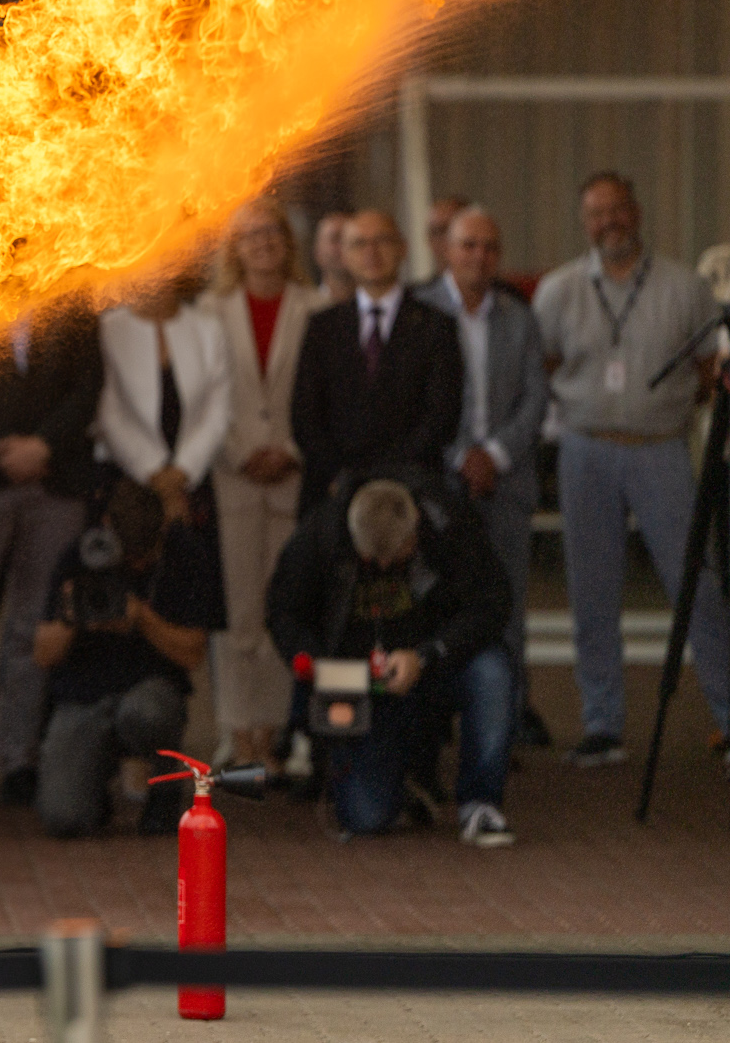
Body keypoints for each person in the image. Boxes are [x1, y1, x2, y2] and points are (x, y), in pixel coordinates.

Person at [532, 171, 730, 765]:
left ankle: (729, 716)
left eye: (617, 209)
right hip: (584, 450)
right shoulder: (559, 290)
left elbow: (707, 373)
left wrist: (663, 411)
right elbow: (543, 363)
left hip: (660, 449)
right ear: (583, 222)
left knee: (696, 585)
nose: (608, 222)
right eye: (596, 213)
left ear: (636, 212)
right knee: (591, 592)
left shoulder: (685, 287)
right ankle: (602, 724)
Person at [266, 473, 515, 845]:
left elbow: (492, 603)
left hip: (438, 665)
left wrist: (427, 655)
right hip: (363, 686)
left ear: (415, 532)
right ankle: (400, 784)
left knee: (492, 672)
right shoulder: (319, 535)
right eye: (370, 557)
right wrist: (316, 664)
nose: (382, 566)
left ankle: (481, 803)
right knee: (364, 817)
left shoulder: (451, 526)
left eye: (394, 555)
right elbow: (282, 611)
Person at [0, 299, 103, 807]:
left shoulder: (72, 293)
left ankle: (20, 758)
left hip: (56, 482)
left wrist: (44, 446)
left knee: (35, 624)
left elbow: (88, 385)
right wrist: (7, 450)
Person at [414, 206, 550, 745]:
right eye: (468, 245)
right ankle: (431, 731)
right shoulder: (419, 312)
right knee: (430, 603)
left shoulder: (520, 317)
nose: (479, 256)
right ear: (447, 250)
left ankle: (504, 726)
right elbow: (414, 401)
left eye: (490, 246)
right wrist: (460, 458)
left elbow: (536, 399)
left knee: (507, 607)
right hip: (437, 484)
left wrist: (492, 456)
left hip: (506, 483)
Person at [33, 478, 224, 837]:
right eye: (129, 554)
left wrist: (142, 618)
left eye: (144, 555)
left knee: (148, 713)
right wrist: (73, 617)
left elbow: (193, 653)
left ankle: (165, 788)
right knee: (64, 818)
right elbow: (43, 654)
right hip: (84, 694)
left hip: (149, 690)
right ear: (107, 527)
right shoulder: (80, 555)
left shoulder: (185, 555)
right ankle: (92, 785)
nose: (136, 564)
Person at [199, 200, 316, 772]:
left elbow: (323, 393)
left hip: (293, 474)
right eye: (250, 235)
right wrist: (242, 453)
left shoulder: (316, 307)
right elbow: (203, 397)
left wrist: (291, 450)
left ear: (288, 241)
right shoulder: (209, 313)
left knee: (281, 607)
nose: (264, 242)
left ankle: (270, 733)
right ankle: (236, 732)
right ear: (234, 249)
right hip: (234, 476)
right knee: (237, 610)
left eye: (272, 231)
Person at [290, 210, 462, 516]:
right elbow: (305, 414)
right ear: (344, 255)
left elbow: (442, 414)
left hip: (412, 490)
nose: (371, 252)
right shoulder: (322, 327)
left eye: (382, 240)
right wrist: (343, 475)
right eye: (359, 244)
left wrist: (390, 475)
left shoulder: (436, 326)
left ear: (403, 248)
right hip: (334, 492)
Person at [423, 195, 470, 284]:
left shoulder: (497, 290)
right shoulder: (418, 292)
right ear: (429, 240)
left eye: (456, 231)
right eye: (440, 231)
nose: (448, 240)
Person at [312, 211, 354, 305]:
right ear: (317, 252)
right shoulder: (307, 308)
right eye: (336, 239)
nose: (345, 246)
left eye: (351, 240)